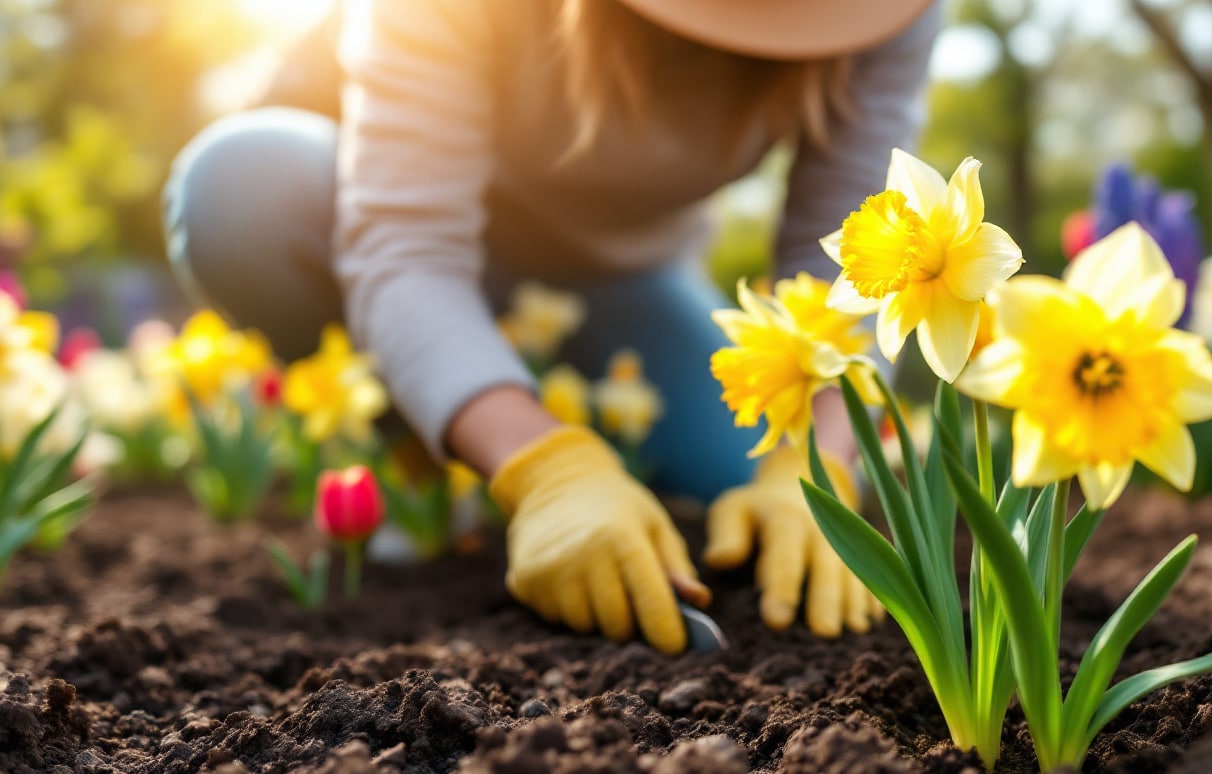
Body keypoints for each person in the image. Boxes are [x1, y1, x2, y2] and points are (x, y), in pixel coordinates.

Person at [164, 0, 941, 654]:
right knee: (240, 188)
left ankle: (508, 431)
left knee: (736, 488)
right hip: (405, 261)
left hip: (622, 287)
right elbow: (406, 253)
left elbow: (842, 263)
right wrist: (546, 468)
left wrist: (817, 464)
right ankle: (420, 454)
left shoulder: (887, 16)